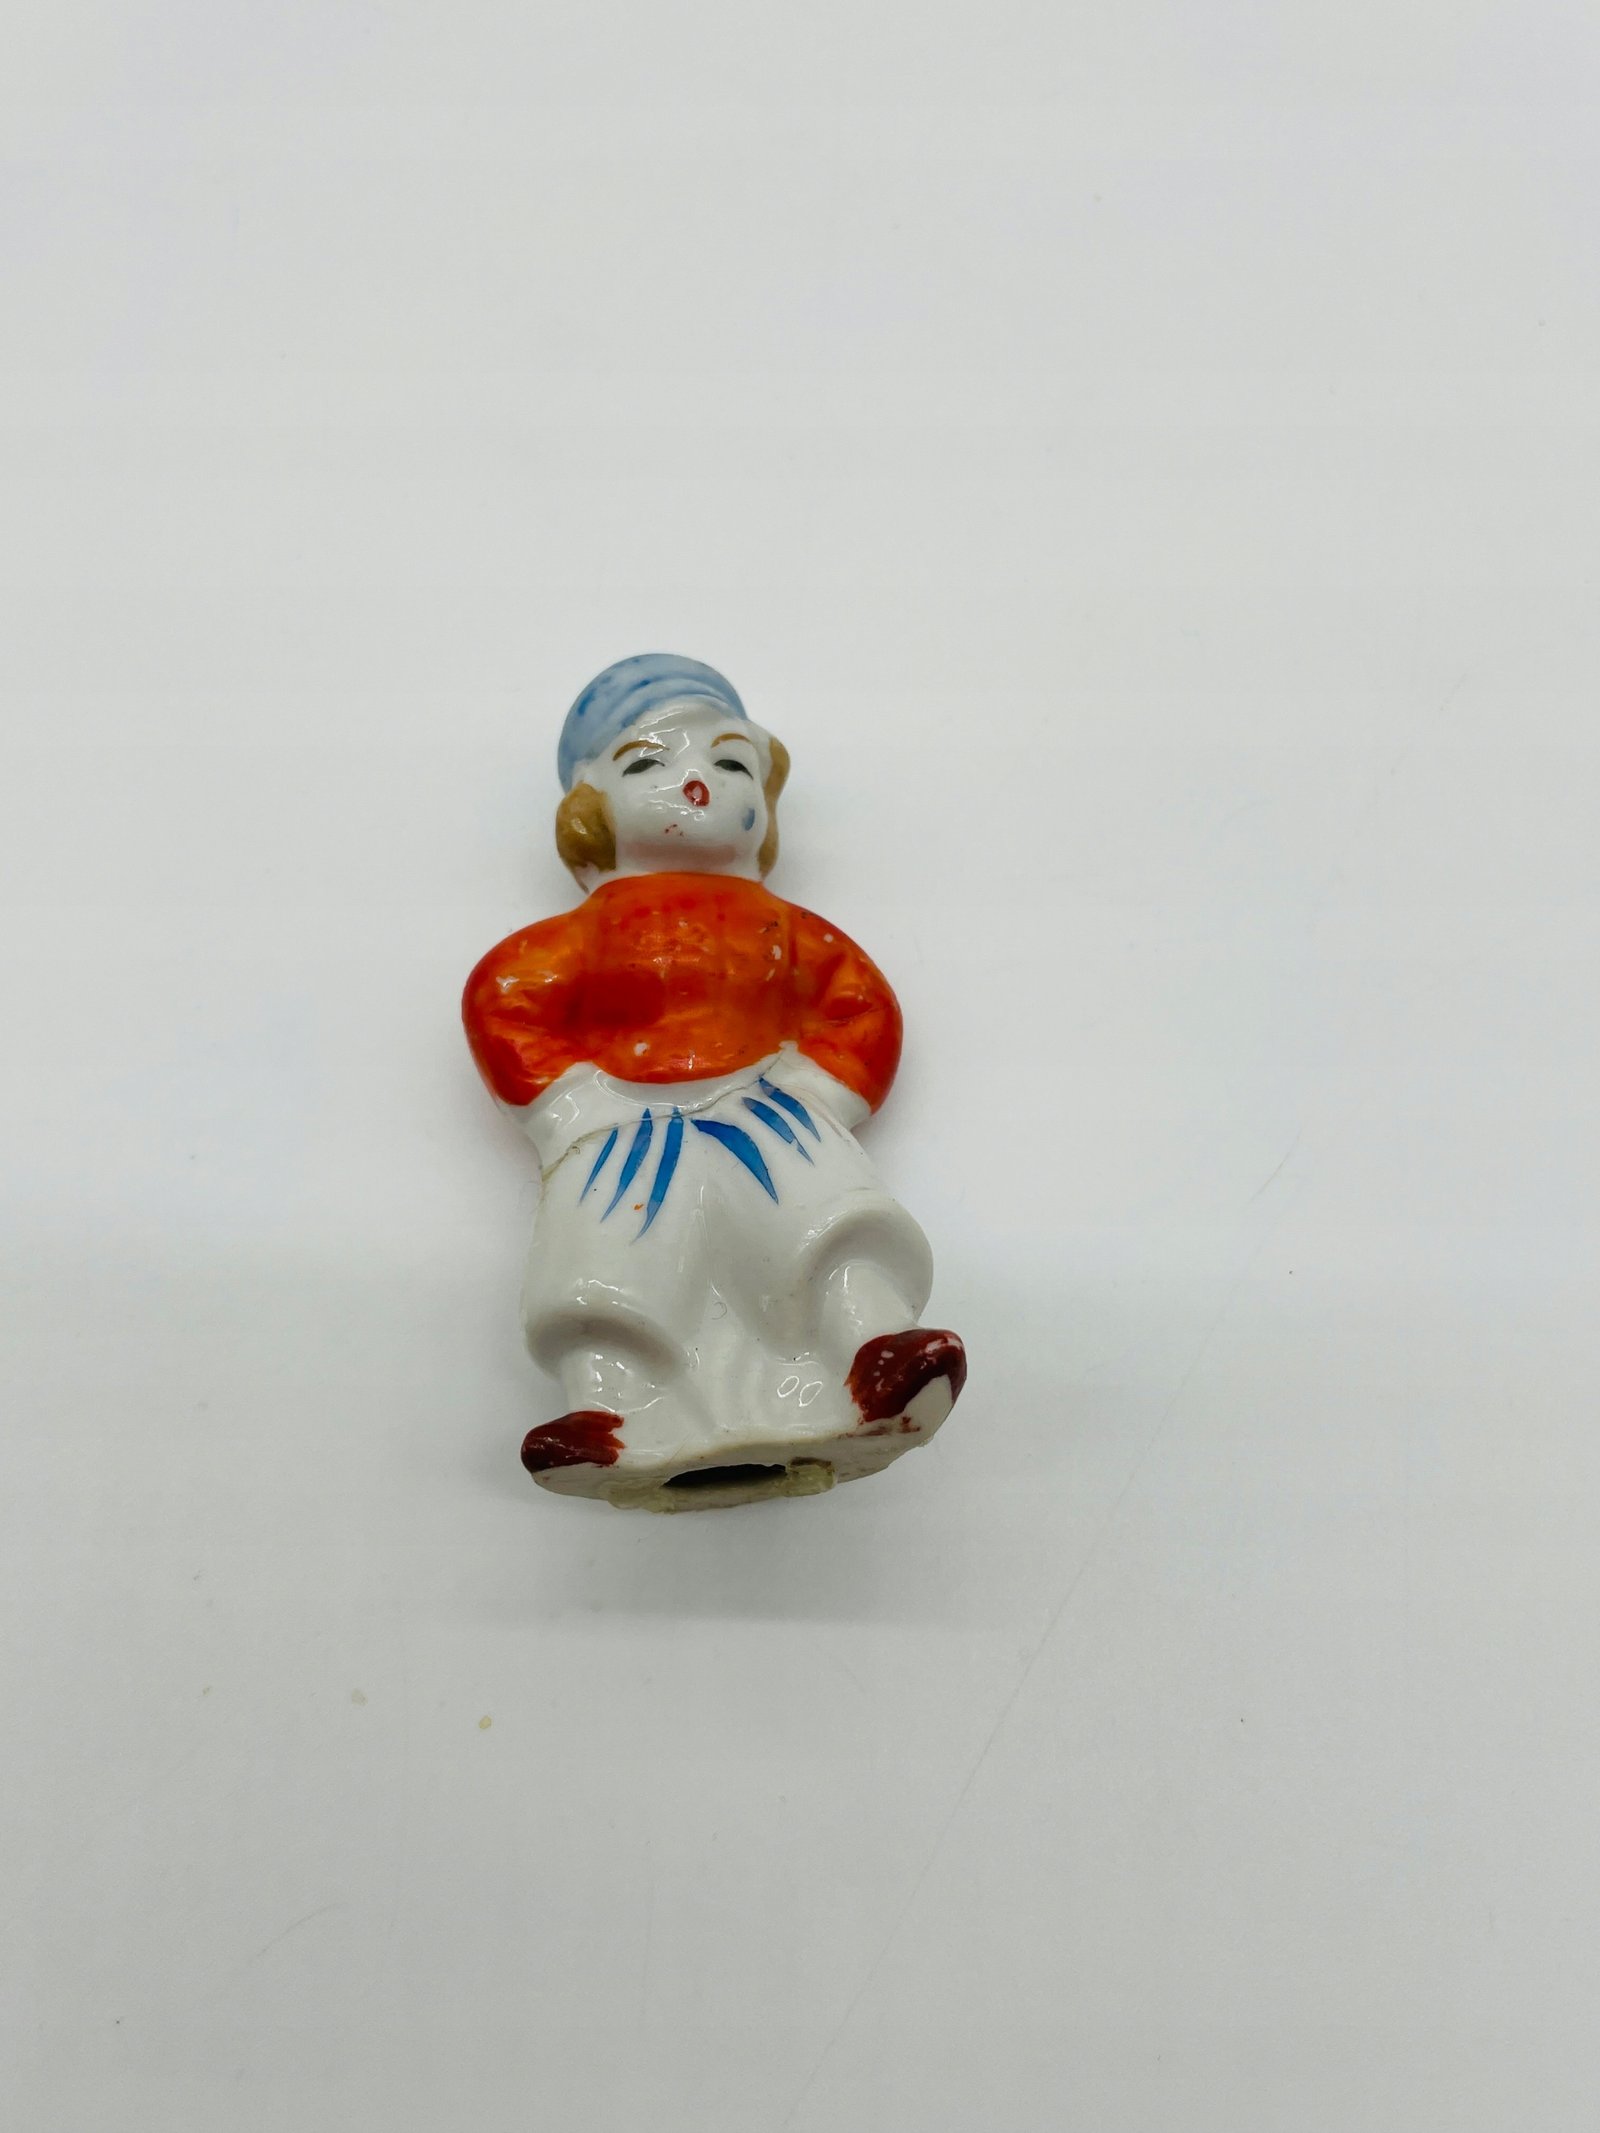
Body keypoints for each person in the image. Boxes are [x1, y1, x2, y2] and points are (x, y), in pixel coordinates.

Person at [463, 654, 966, 1510]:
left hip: (769, 1113)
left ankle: (872, 1351)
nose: (695, 780)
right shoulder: (581, 934)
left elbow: (860, 1005)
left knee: (825, 1227)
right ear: (590, 805)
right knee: (606, 1264)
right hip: (624, 1127)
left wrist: (817, 1090)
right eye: (648, 764)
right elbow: (503, 997)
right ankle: (610, 1408)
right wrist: (570, 1103)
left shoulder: (785, 927)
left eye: (730, 762)